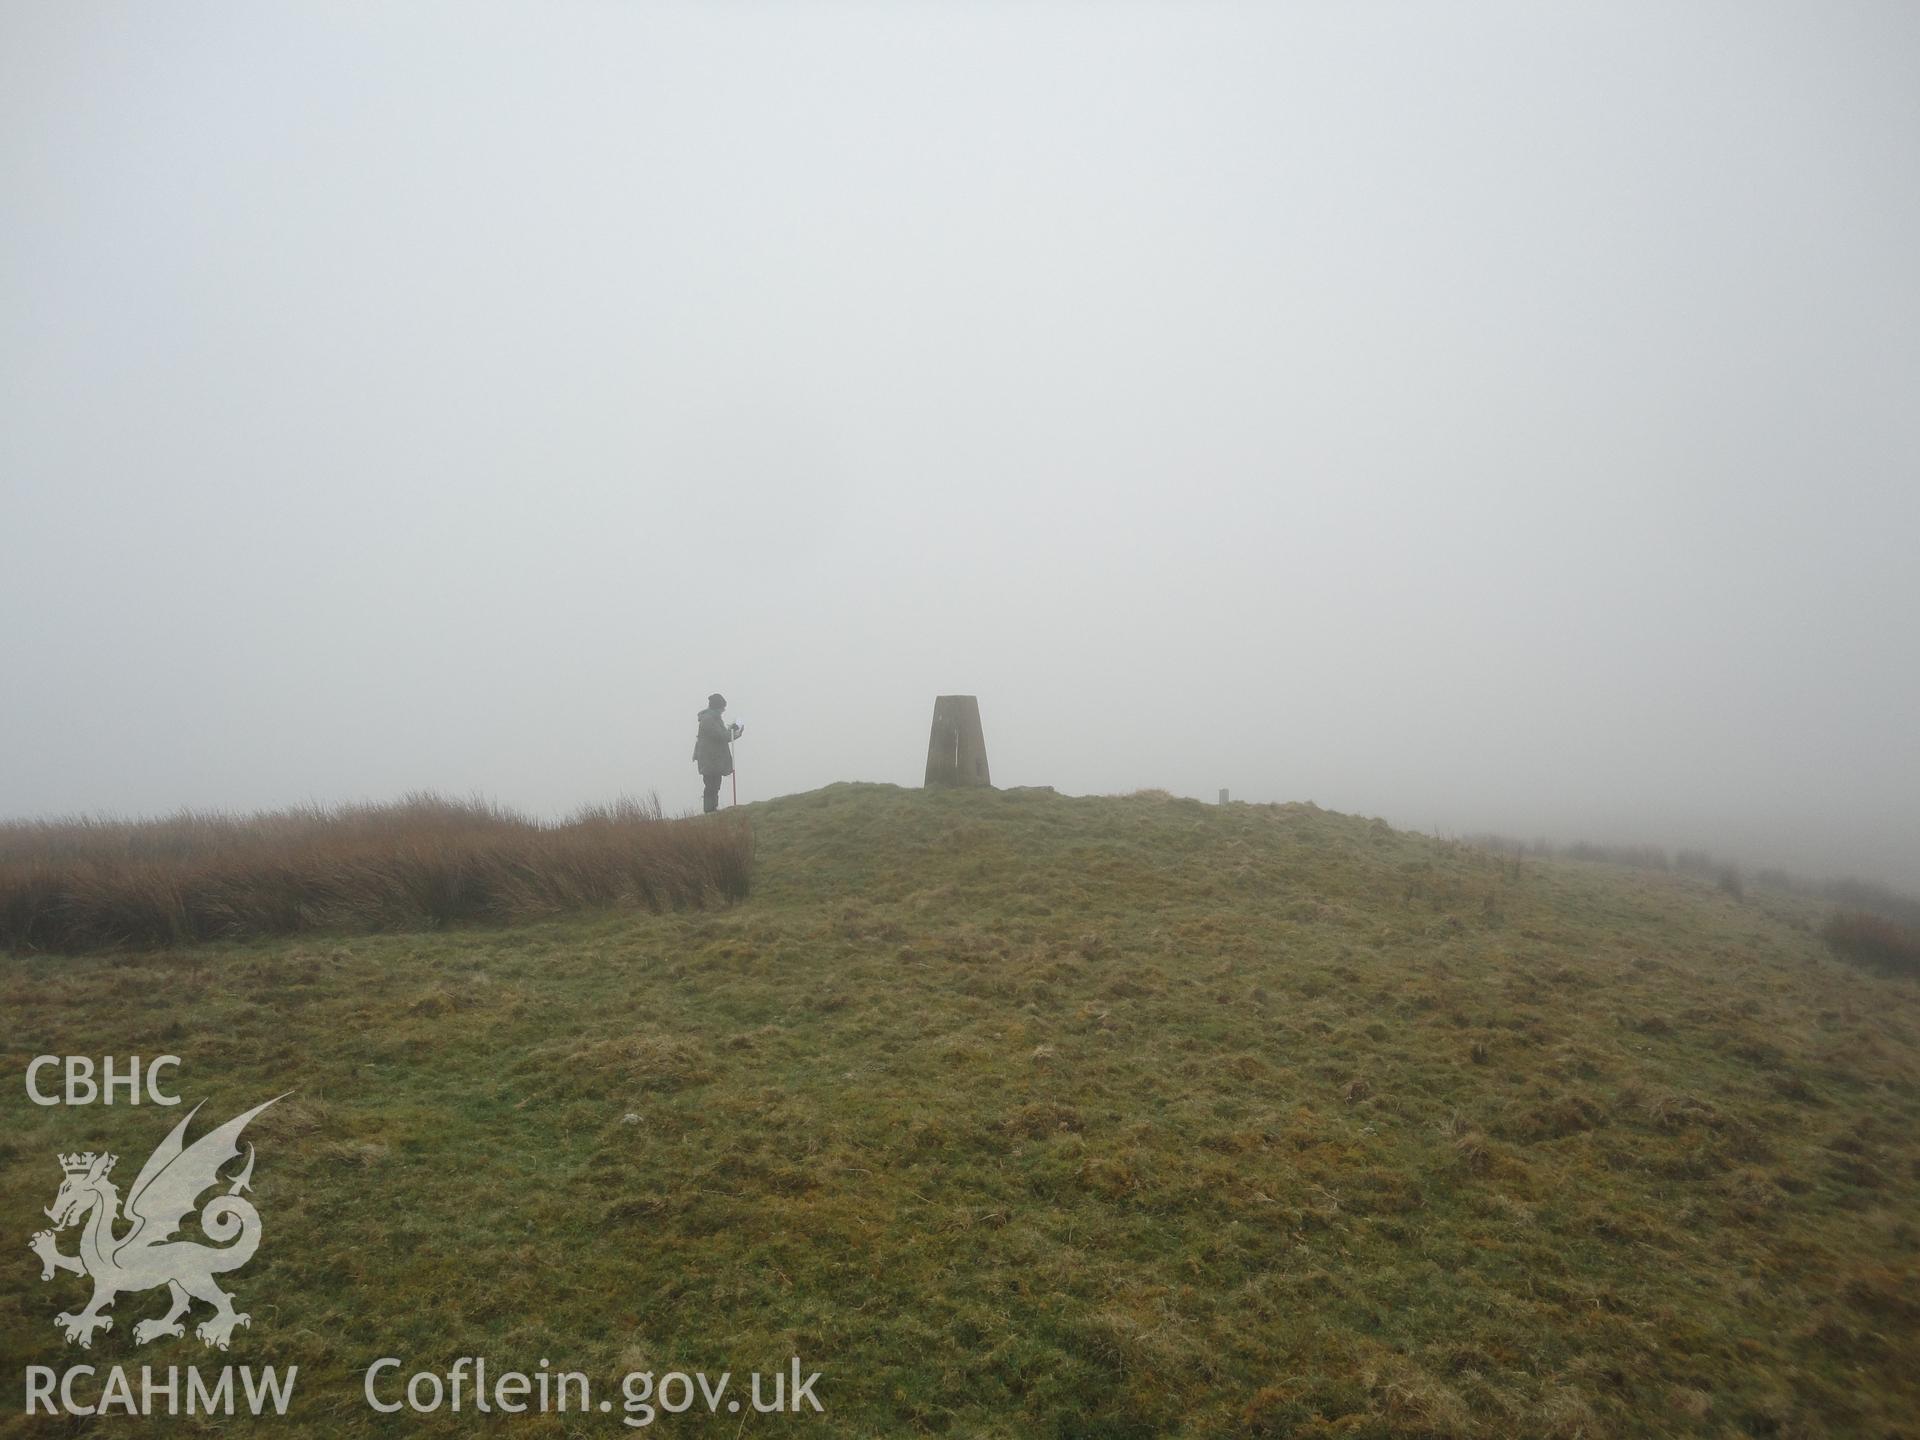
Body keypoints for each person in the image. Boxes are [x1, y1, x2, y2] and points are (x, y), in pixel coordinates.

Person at [692, 693, 742, 813]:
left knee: (715, 784)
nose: (723, 710)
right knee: (711, 785)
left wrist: (732, 730)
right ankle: (710, 810)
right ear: (717, 707)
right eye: (722, 707)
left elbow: (721, 733)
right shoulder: (708, 720)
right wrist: (736, 734)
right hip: (709, 758)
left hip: (713, 758)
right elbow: (720, 736)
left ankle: (712, 809)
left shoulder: (714, 718)